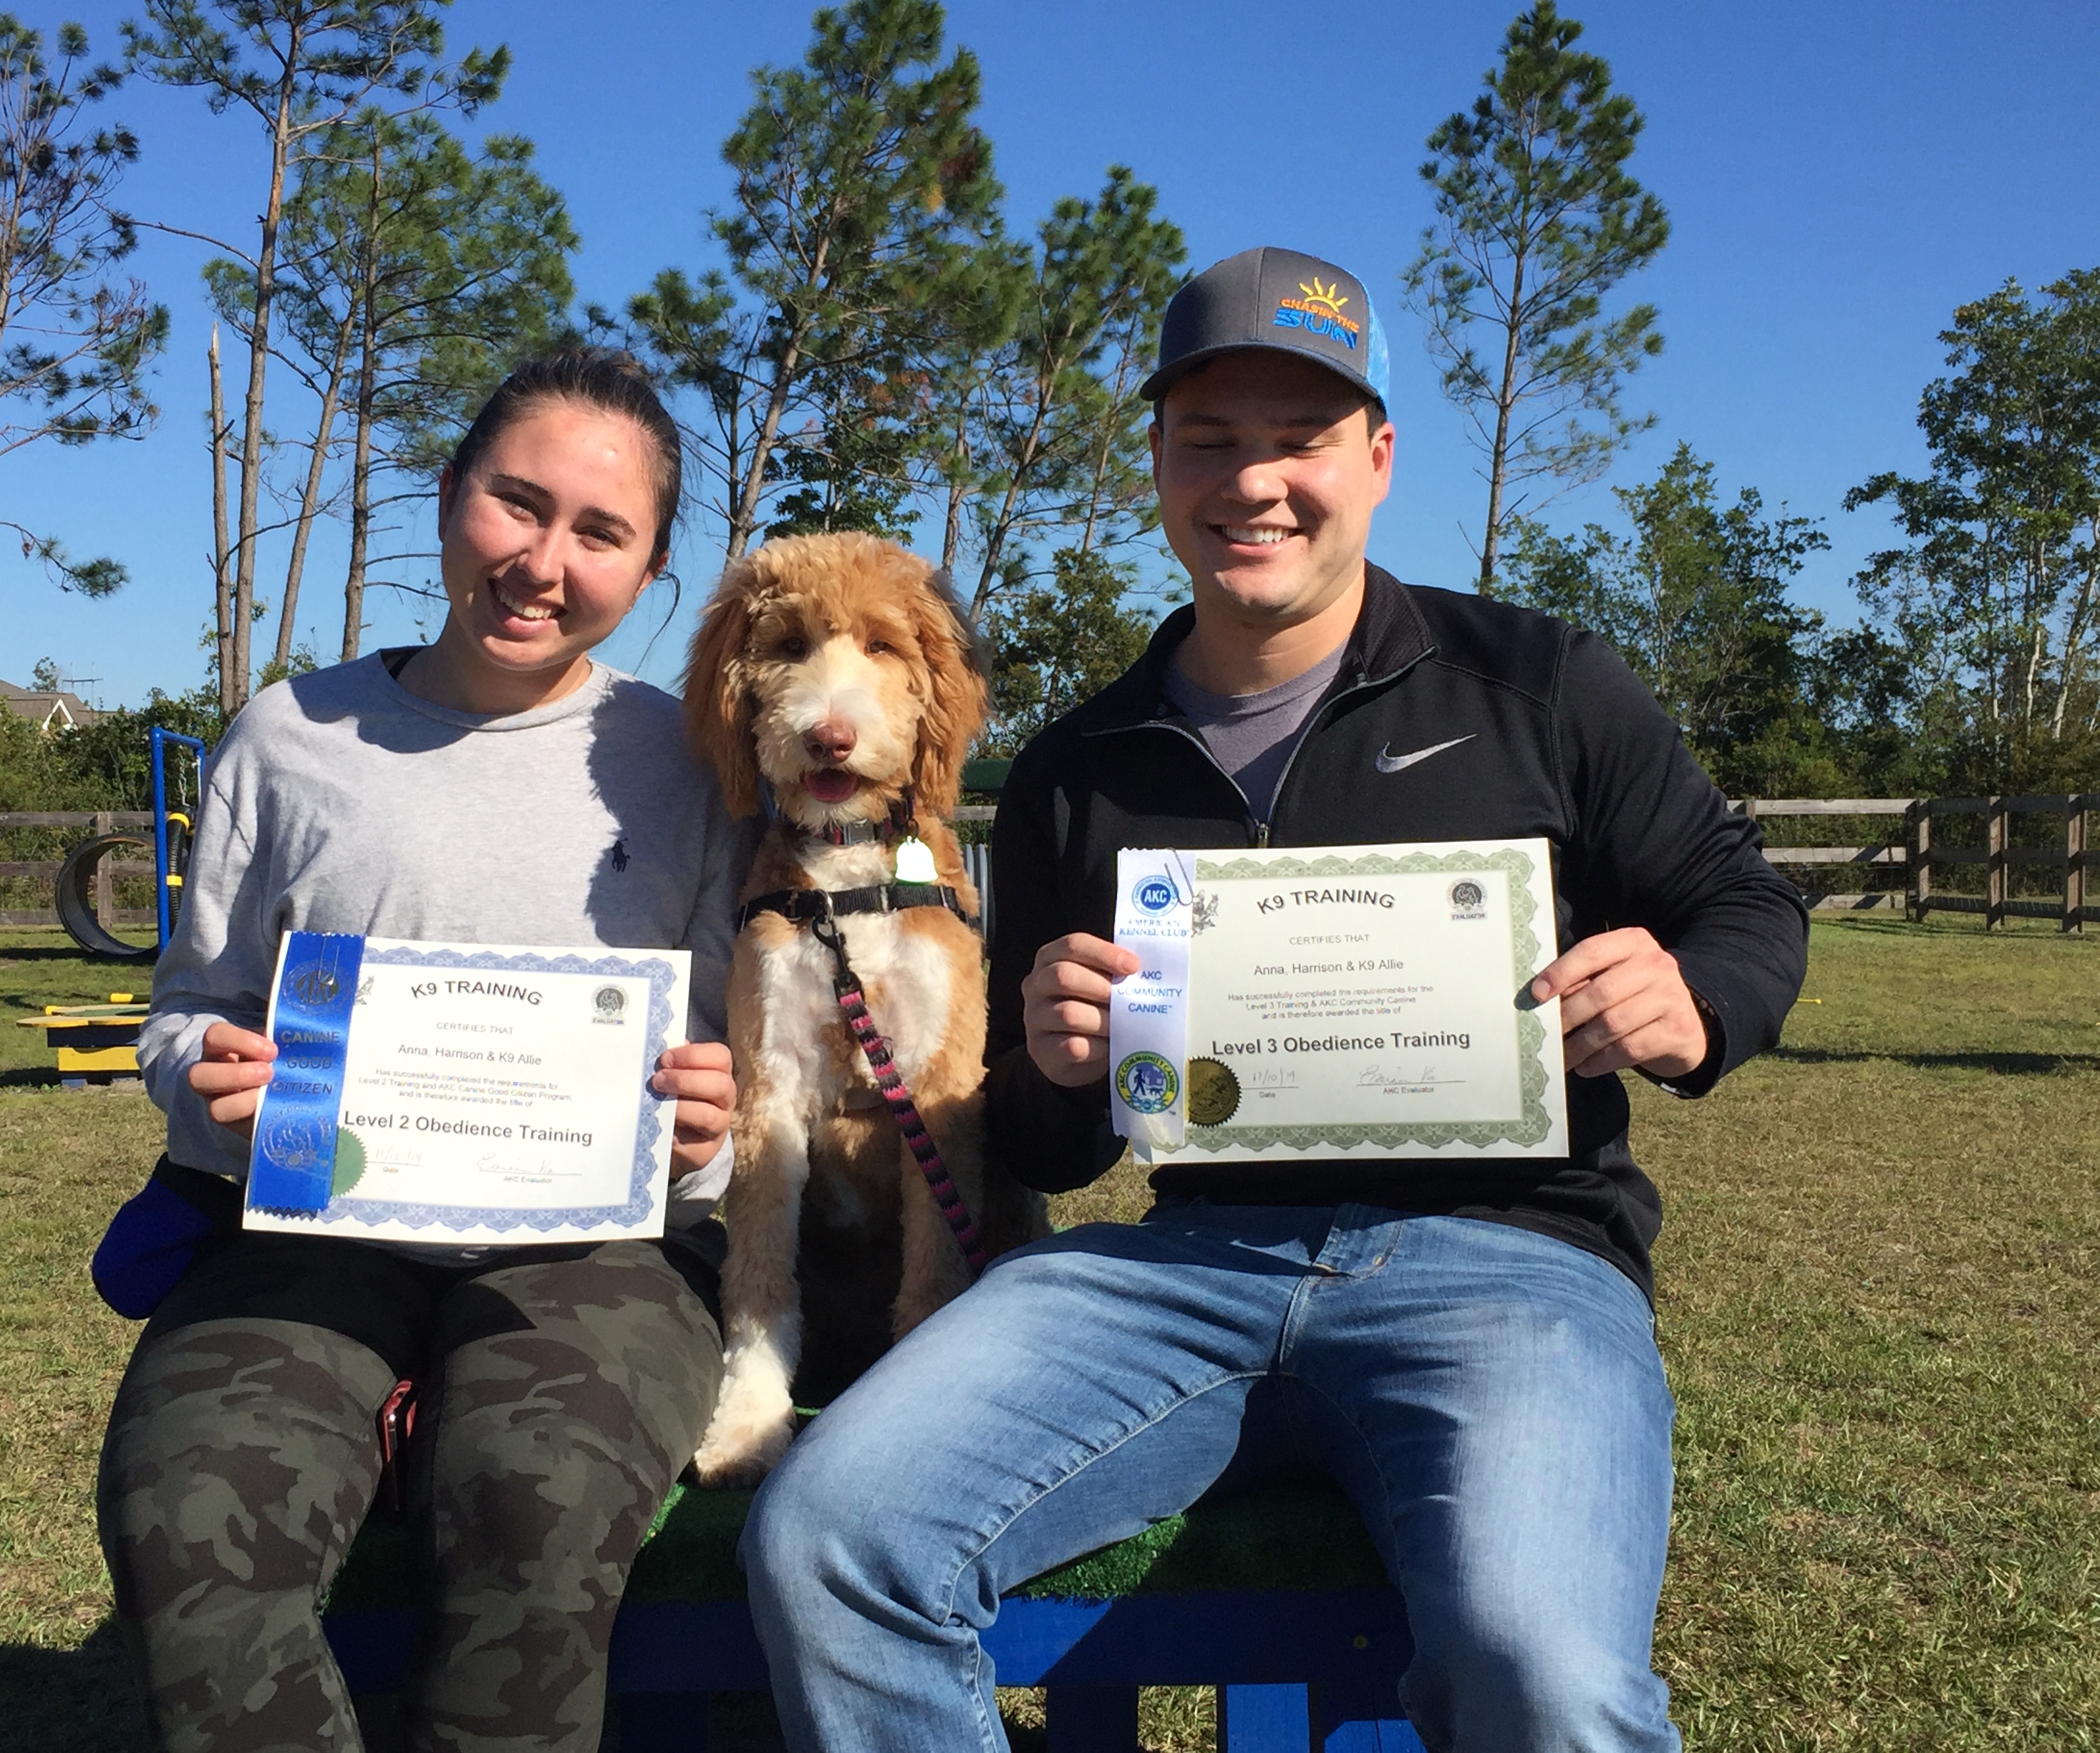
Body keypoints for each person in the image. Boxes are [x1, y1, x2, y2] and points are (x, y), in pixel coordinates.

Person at [740, 248, 1809, 1752]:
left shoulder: (1540, 684)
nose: (1255, 483)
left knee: (1544, 1675)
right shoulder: (1076, 769)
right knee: (829, 1544)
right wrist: (1052, 1058)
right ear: (1161, 469)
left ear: (1374, 459)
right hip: (1184, 1271)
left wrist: (1695, 996)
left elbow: (1746, 900)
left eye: (1299, 438)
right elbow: (1051, 1155)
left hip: (1508, 1266)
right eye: (1210, 440)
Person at [99, 347, 746, 1753]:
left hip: (606, 1253)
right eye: (516, 504)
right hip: (311, 1230)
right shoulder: (288, 738)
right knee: (184, 1514)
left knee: (536, 1503)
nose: (543, 561)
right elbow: (180, 1006)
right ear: (449, 497)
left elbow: (751, 1057)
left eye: (600, 533)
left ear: (648, 571)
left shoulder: (694, 761)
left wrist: (726, 1117)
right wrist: (206, 1067)